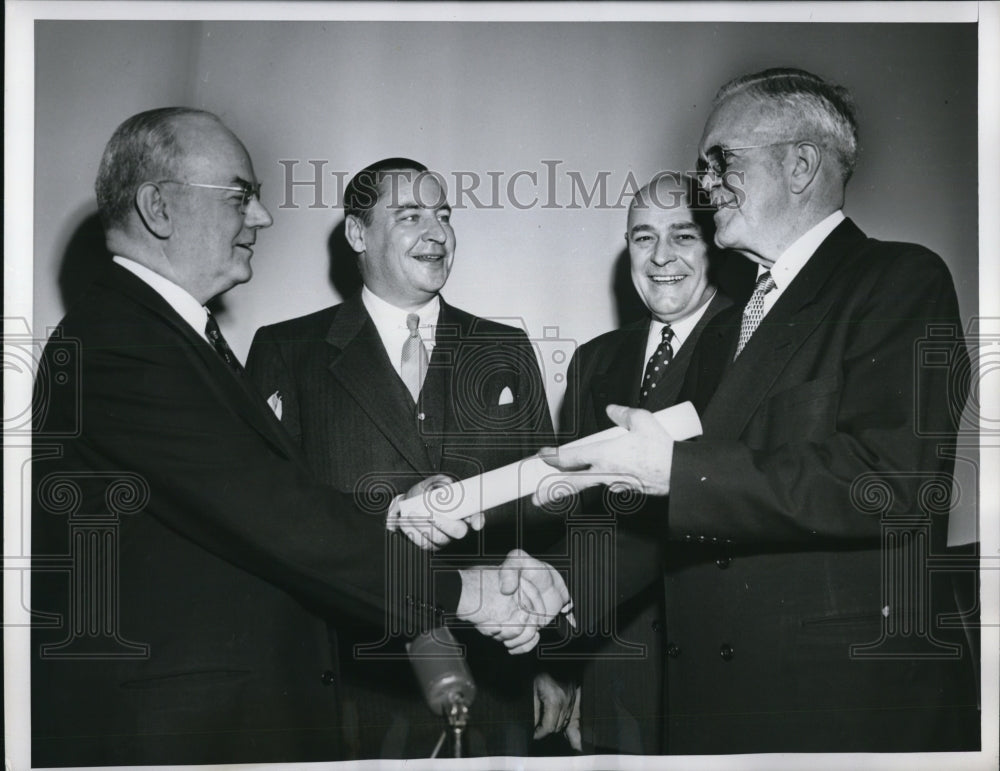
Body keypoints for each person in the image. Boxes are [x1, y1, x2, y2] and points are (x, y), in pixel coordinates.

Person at [30, 109, 569, 768]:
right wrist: (467, 592)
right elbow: (276, 513)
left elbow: (267, 501)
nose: (261, 217)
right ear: (158, 207)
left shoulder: (162, 335)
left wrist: (407, 521)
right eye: (240, 196)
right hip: (184, 728)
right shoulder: (125, 344)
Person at [536, 68, 979, 753]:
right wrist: (560, 586)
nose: (706, 182)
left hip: (836, 708)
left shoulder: (899, 280)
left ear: (800, 165)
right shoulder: (731, 325)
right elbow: (684, 521)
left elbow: (892, 479)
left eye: (722, 160)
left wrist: (677, 470)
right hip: (708, 708)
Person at [246, 158, 559, 757]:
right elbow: (270, 518)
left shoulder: (507, 348)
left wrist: (552, 663)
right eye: (410, 215)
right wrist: (394, 512)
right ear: (357, 233)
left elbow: (543, 514)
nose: (437, 233)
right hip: (354, 684)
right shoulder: (288, 350)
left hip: (495, 679)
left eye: (443, 215)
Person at [551, 172, 734, 754]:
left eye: (682, 235)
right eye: (643, 237)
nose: (660, 257)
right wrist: (563, 667)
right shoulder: (592, 361)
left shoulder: (753, 342)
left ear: (714, 243)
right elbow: (574, 521)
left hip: (719, 661)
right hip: (614, 665)